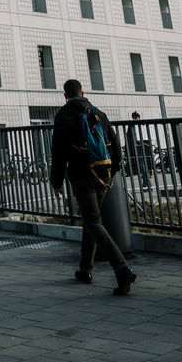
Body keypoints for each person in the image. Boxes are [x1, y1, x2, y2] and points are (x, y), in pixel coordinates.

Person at [50, 79, 137, 296]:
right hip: (103, 175)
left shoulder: (63, 116)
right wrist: (113, 169)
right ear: (83, 92)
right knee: (91, 221)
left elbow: (58, 153)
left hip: (81, 176)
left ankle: (122, 268)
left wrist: (56, 181)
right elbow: (115, 143)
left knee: (93, 221)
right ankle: (85, 269)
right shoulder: (99, 113)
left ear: (65, 95)